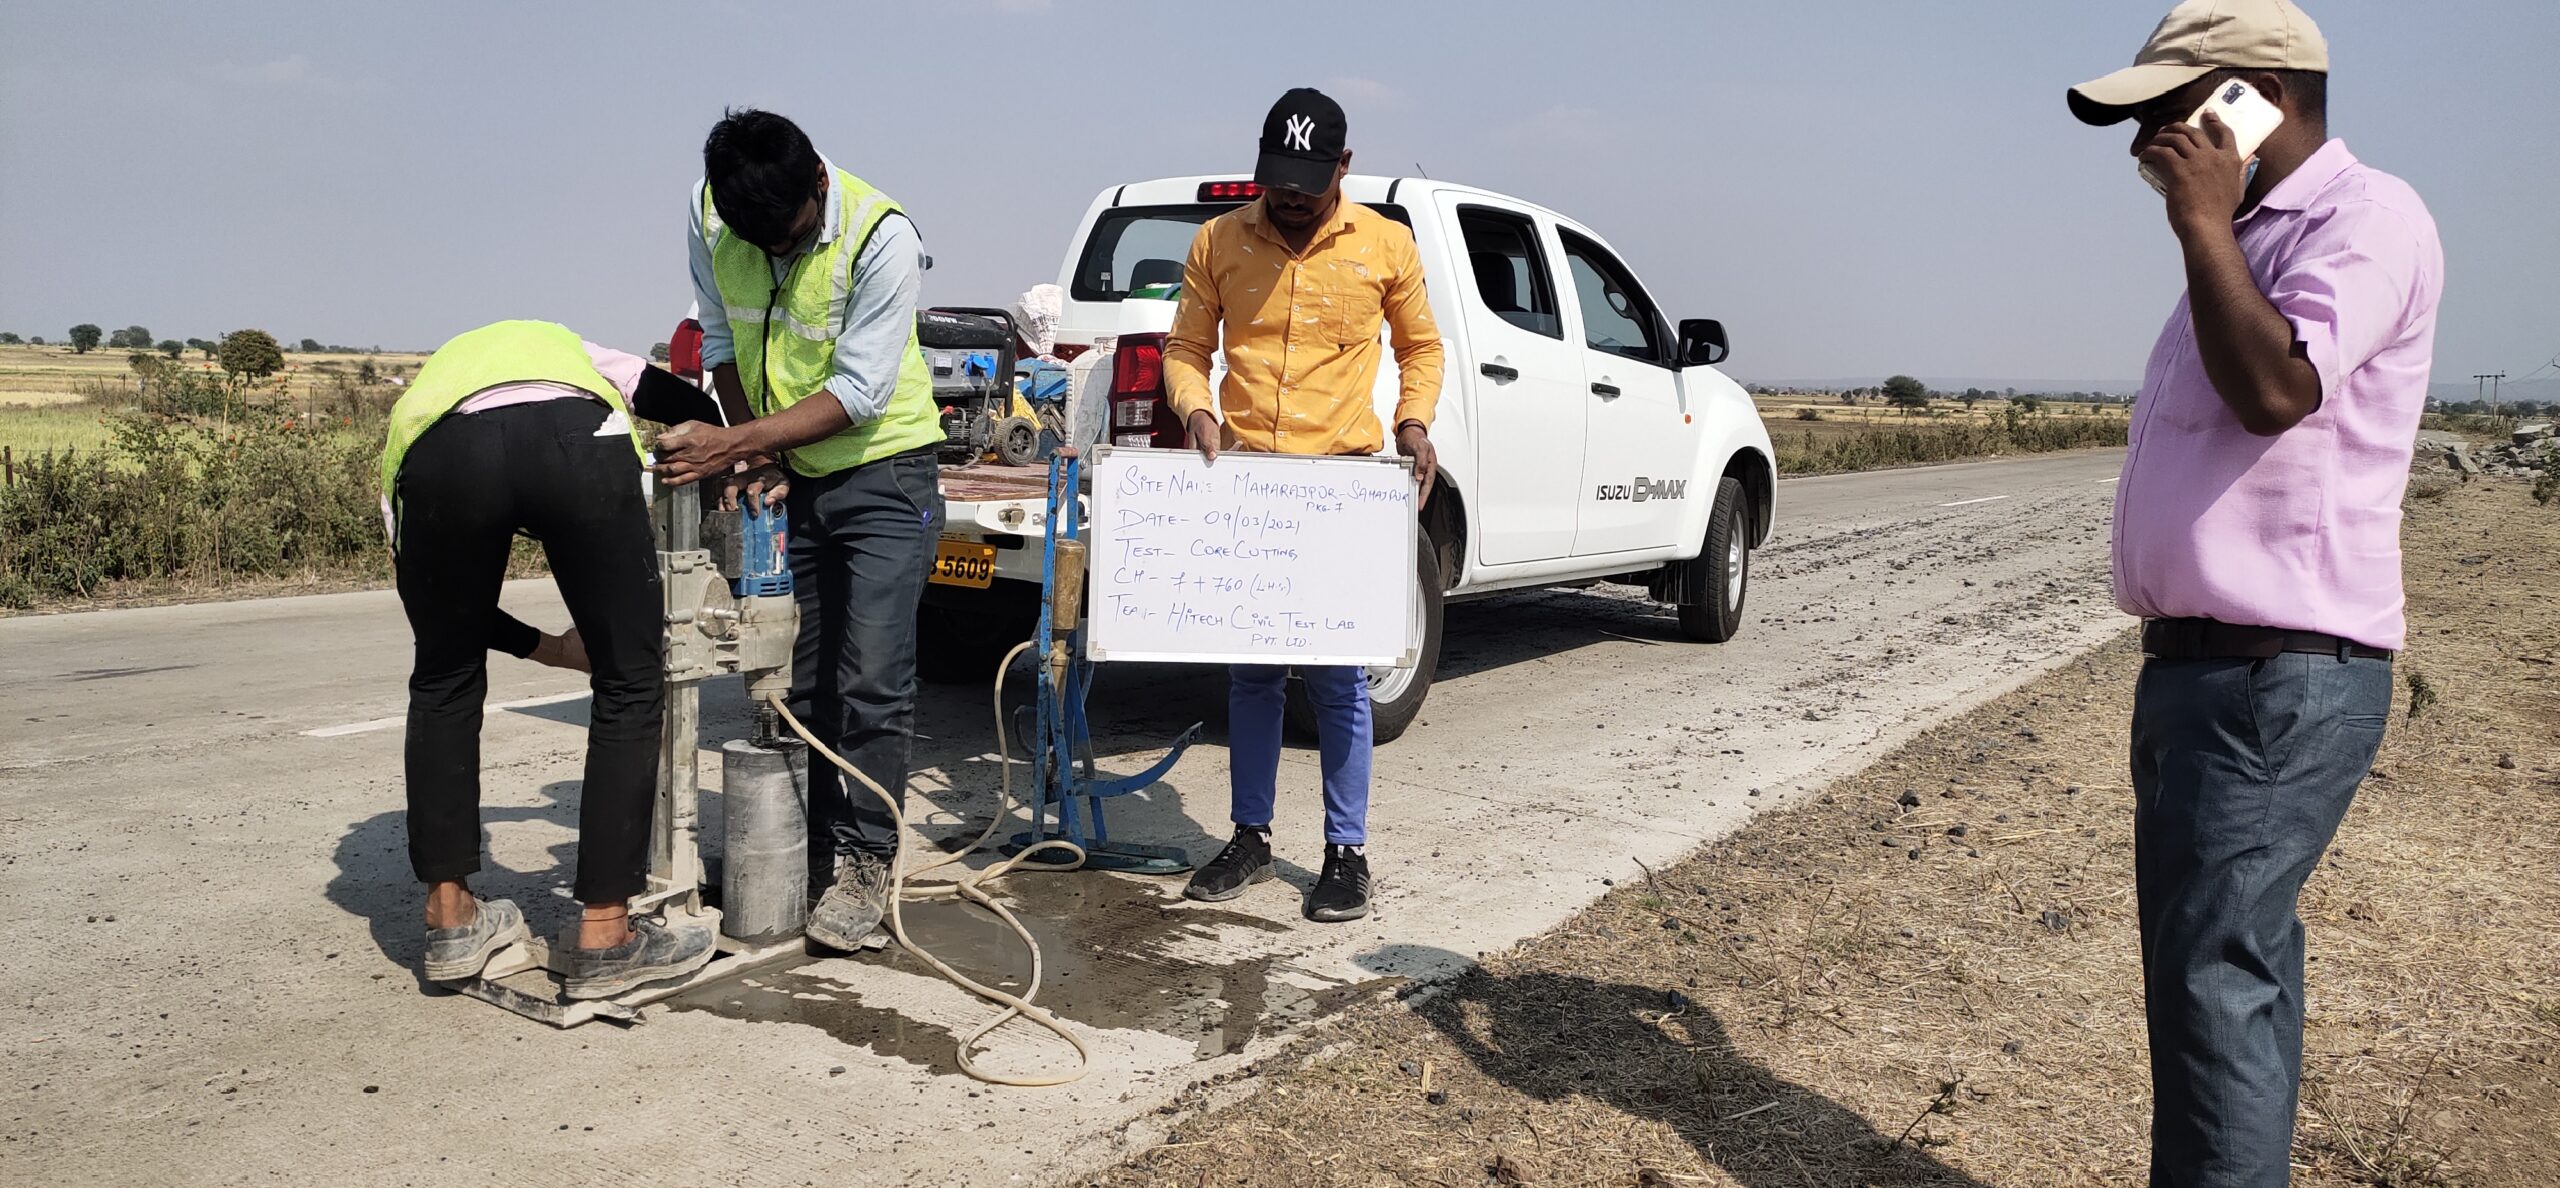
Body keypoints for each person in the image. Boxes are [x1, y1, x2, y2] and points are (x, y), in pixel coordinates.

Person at [2069, 2, 2442, 1182]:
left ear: (2255, 97)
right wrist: (2214, 228)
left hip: (2271, 680)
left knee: (2211, 985)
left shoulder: (2364, 218)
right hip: (2211, 676)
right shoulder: (2247, 241)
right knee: (2221, 978)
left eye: (2172, 108)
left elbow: (2277, 390)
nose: (2150, 140)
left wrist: (2200, 222)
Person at [656, 109, 946, 952]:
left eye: (788, 236)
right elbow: (720, 338)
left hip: (883, 472)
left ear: (819, 180)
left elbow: (859, 391)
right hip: (788, 467)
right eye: (761, 242)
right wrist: (754, 453)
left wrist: (735, 444)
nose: (776, 254)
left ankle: (866, 862)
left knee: (871, 682)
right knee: (794, 680)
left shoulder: (881, 235)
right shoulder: (712, 212)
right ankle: (808, 850)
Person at [1164, 88, 1444, 923]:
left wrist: (1414, 422)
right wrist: (1197, 409)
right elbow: (1186, 348)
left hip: (1339, 490)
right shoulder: (1219, 240)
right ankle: (1249, 837)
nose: (1289, 196)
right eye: (1277, 179)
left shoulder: (1385, 244)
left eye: (1307, 182)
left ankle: (1345, 854)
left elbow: (1421, 347)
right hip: (1250, 483)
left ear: (1343, 167)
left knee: (1337, 680)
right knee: (1251, 676)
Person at [383, 319, 723, 999]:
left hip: (446, 460)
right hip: (578, 443)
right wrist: (716, 483)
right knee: (629, 679)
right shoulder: (567, 349)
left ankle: (451, 920)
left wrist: (550, 651)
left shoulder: (423, 406)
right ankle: (607, 933)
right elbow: (685, 403)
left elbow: (445, 613)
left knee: (443, 677)